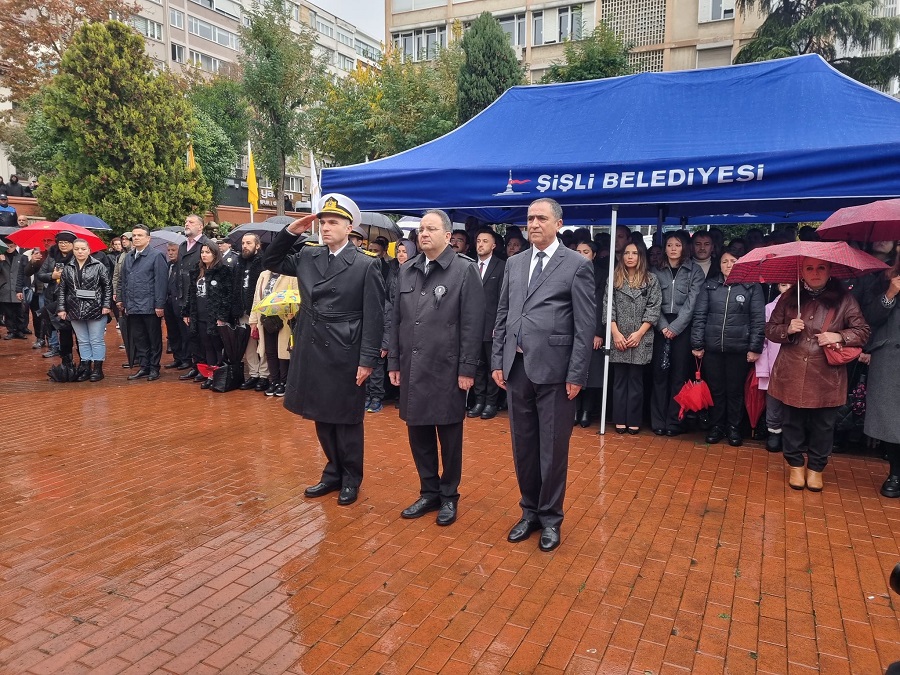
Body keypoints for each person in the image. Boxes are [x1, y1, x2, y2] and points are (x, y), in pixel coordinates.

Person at [263, 194, 385, 506]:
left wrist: (368, 359)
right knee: (321, 415)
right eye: (323, 222)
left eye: (333, 222)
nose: (326, 227)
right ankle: (332, 473)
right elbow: (271, 261)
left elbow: (374, 316)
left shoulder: (365, 264)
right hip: (312, 344)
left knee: (346, 419)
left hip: (346, 347)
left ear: (349, 228)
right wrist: (292, 231)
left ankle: (351, 477)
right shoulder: (308, 256)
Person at [491, 198, 595, 552]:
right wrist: (497, 359)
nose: (533, 224)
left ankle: (551, 518)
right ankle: (529, 512)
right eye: (530, 218)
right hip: (517, 368)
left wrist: (577, 373)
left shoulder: (577, 265)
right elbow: (503, 312)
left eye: (541, 218)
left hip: (555, 372)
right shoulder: (515, 263)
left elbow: (585, 325)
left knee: (552, 449)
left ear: (558, 223)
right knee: (524, 446)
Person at [388, 209, 485, 526]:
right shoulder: (407, 271)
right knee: (417, 433)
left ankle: (448, 496)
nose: (423, 234)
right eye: (420, 229)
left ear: (448, 235)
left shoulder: (463, 271)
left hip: (446, 368)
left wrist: (467, 368)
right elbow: (397, 320)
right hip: (412, 366)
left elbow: (472, 324)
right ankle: (428, 491)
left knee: (449, 436)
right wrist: (394, 361)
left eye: (431, 229)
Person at [766, 258, 869, 491]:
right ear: (801, 271)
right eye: (809, 268)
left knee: (823, 425)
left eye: (821, 267)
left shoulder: (845, 298)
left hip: (826, 374)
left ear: (830, 270)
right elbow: (770, 329)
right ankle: (795, 465)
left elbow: (862, 331)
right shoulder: (789, 297)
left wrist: (840, 336)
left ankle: (816, 468)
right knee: (791, 422)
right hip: (791, 370)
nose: (815, 273)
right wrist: (787, 329)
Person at [691, 252, 765, 446]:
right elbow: (700, 316)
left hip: (739, 349)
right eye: (725, 261)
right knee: (716, 390)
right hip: (713, 348)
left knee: (735, 391)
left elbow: (758, 319)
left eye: (734, 261)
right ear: (719, 265)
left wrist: (755, 347)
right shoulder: (710, 286)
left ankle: (734, 428)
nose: (729, 265)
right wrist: (697, 344)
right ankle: (717, 426)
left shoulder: (751, 287)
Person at [650, 231, 705, 436]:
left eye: (678, 245)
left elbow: (692, 303)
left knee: (679, 375)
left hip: (682, 327)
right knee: (659, 374)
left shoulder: (695, 271)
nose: (673, 249)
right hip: (659, 325)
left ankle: (674, 421)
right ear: (664, 248)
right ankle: (658, 420)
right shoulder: (655, 270)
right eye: (670, 245)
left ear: (685, 248)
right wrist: (663, 326)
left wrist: (675, 328)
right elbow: (652, 301)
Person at [604, 242, 662, 434]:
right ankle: (619, 419)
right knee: (619, 379)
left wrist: (639, 333)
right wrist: (615, 333)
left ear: (640, 256)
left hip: (640, 337)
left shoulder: (651, 279)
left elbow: (654, 308)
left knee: (636, 381)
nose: (630, 256)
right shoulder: (614, 278)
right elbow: (608, 306)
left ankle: (634, 419)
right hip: (618, 335)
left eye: (634, 253)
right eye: (627, 253)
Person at [859, 252, 900, 497]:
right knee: (891, 419)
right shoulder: (885, 278)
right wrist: (890, 295)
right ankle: (895, 472)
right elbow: (869, 318)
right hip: (890, 357)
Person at [56, 238, 111, 381]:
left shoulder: (99, 266)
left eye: (83, 249)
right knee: (83, 340)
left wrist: (106, 305)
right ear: (73, 250)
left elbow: (107, 287)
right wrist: (61, 308)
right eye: (77, 249)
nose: (80, 251)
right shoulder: (68, 267)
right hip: (74, 308)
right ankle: (85, 368)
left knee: (96, 340)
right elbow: (62, 289)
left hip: (96, 308)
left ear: (89, 250)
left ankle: (97, 370)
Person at [118, 225, 168, 381]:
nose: (136, 238)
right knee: (139, 339)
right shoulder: (128, 257)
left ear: (148, 238)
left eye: (140, 235)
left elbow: (161, 283)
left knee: (153, 338)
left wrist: (159, 305)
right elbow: (123, 281)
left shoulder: (156, 256)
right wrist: (122, 301)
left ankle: (154, 367)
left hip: (150, 306)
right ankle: (144, 367)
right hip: (133, 306)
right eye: (134, 235)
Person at [468, 228, 506, 420]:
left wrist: (498, 326)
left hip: (492, 326)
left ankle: (491, 403)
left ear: (493, 245)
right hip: (473, 326)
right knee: (477, 366)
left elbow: (502, 299)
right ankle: (478, 401)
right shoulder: (469, 265)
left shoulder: (501, 266)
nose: (480, 244)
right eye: (478, 241)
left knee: (493, 366)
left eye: (485, 241)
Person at [185, 243, 233, 389]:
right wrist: (187, 312)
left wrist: (222, 316)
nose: (204, 255)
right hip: (199, 314)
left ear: (215, 254)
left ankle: (220, 375)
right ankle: (210, 375)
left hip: (215, 316)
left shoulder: (223, 271)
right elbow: (191, 294)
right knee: (206, 346)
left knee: (217, 346)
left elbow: (228, 295)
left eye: (208, 252)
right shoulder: (197, 271)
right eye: (202, 252)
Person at [249, 266, 298, 397]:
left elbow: (297, 296)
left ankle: (284, 382)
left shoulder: (291, 274)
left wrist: (294, 313)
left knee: (283, 351)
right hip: (266, 318)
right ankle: (274, 381)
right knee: (270, 351)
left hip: (284, 318)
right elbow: (256, 299)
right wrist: (253, 319)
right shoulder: (264, 275)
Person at [756, 282, 794, 452]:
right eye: (784, 285)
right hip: (774, 361)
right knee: (773, 399)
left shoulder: (806, 307)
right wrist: (763, 368)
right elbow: (763, 342)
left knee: (793, 399)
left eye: (791, 285)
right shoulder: (769, 308)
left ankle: (791, 433)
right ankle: (774, 431)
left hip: (796, 361)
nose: (787, 289)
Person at [176, 215, 213, 382]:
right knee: (190, 335)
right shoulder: (183, 246)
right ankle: (195, 365)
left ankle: (204, 368)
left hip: (200, 296)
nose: (186, 224)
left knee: (201, 335)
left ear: (200, 227)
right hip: (184, 296)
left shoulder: (205, 244)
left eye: (191, 222)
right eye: (186, 222)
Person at [573, 241, 605, 428]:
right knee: (573, 371)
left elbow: (601, 304)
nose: (582, 255)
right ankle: (575, 410)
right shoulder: (569, 270)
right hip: (572, 329)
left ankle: (586, 411)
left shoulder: (600, 274)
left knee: (592, 373)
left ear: (594, 255)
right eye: (578, 251)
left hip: (593, 331)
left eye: (586, 252)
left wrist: (598, 332)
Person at [234, 234, 270, 393]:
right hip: (242, 310)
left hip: (259, 310)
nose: (244, 246)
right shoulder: (239, 263)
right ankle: (253, 374)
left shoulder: (264, 263)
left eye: (248, 243)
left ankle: (264, 375)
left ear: (257, 245)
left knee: (262, 343)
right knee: (248, 345)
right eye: (243, 243)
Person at [37, 231, 77, 364]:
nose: (63, 245)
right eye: (60, 242)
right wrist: (52, 276)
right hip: (54, 297)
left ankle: (84, 362)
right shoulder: (52, 256)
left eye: (67, 242)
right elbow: (40, 275)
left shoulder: (77, 256)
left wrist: (65, 276)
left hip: (72, 300)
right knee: (62, 330)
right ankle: (66, 360)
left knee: (78, 332)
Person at [365, 236, 393, 413]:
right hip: (366, 343)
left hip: (379, 344)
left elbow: (388, 326)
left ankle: (376, 398)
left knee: (377, 373)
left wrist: (385, 345)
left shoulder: (386, 305)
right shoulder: (366, 303)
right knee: (367, 372)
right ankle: (367, 396)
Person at [162, 243, 189, 370]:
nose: (170, 252)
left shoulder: (183, 266)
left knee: (183, 332)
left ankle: (186, 359)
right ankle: (177, 358)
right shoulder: (168, 265)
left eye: (173, 250)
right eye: (168, 250)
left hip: (179, 303)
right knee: (172, 332)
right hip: (168, 303)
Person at [0, 238, 29, 340]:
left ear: (15, 244)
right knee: (8, 312)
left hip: (18, 288)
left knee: (20, 311)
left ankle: (20, 330)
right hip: (5, 288)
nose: (9, 248)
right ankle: (11, 330)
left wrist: (21, 288)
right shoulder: (1, 257)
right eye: (7, 245)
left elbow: (26, 273)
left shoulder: (22, 257)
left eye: (11, 245)